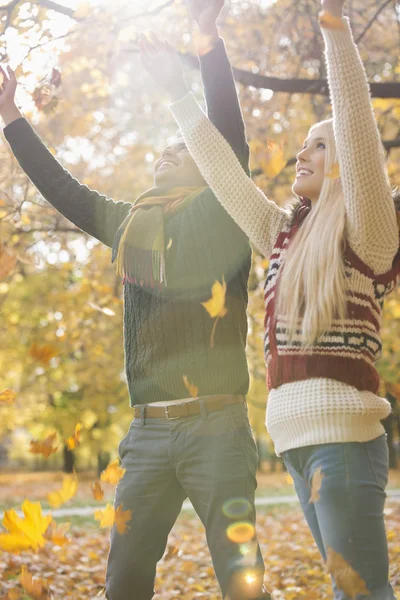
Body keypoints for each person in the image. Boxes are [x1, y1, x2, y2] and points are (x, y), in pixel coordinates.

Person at [0, 2, 271, 599]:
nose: (163, 155)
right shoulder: (128, 226)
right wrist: (11, 117)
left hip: (216, 428)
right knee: (123, 581)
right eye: (161, 151)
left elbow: (228, 137)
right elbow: (64, 190)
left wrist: (207, 43)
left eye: (179, 151)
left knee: (240, 579)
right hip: (148, 434)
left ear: (206, 170)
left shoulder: (222, 213)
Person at [138, 0, 399, 597]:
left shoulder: (369, 234)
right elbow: (226, 175)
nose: (301, 155)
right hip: (296, 446)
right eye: (303, 145)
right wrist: (179, 91)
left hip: (342, 442)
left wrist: (333, 28)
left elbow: (356, 124)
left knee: (361, 594)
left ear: (345, 167)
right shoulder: (284, 236)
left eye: (317, 147)